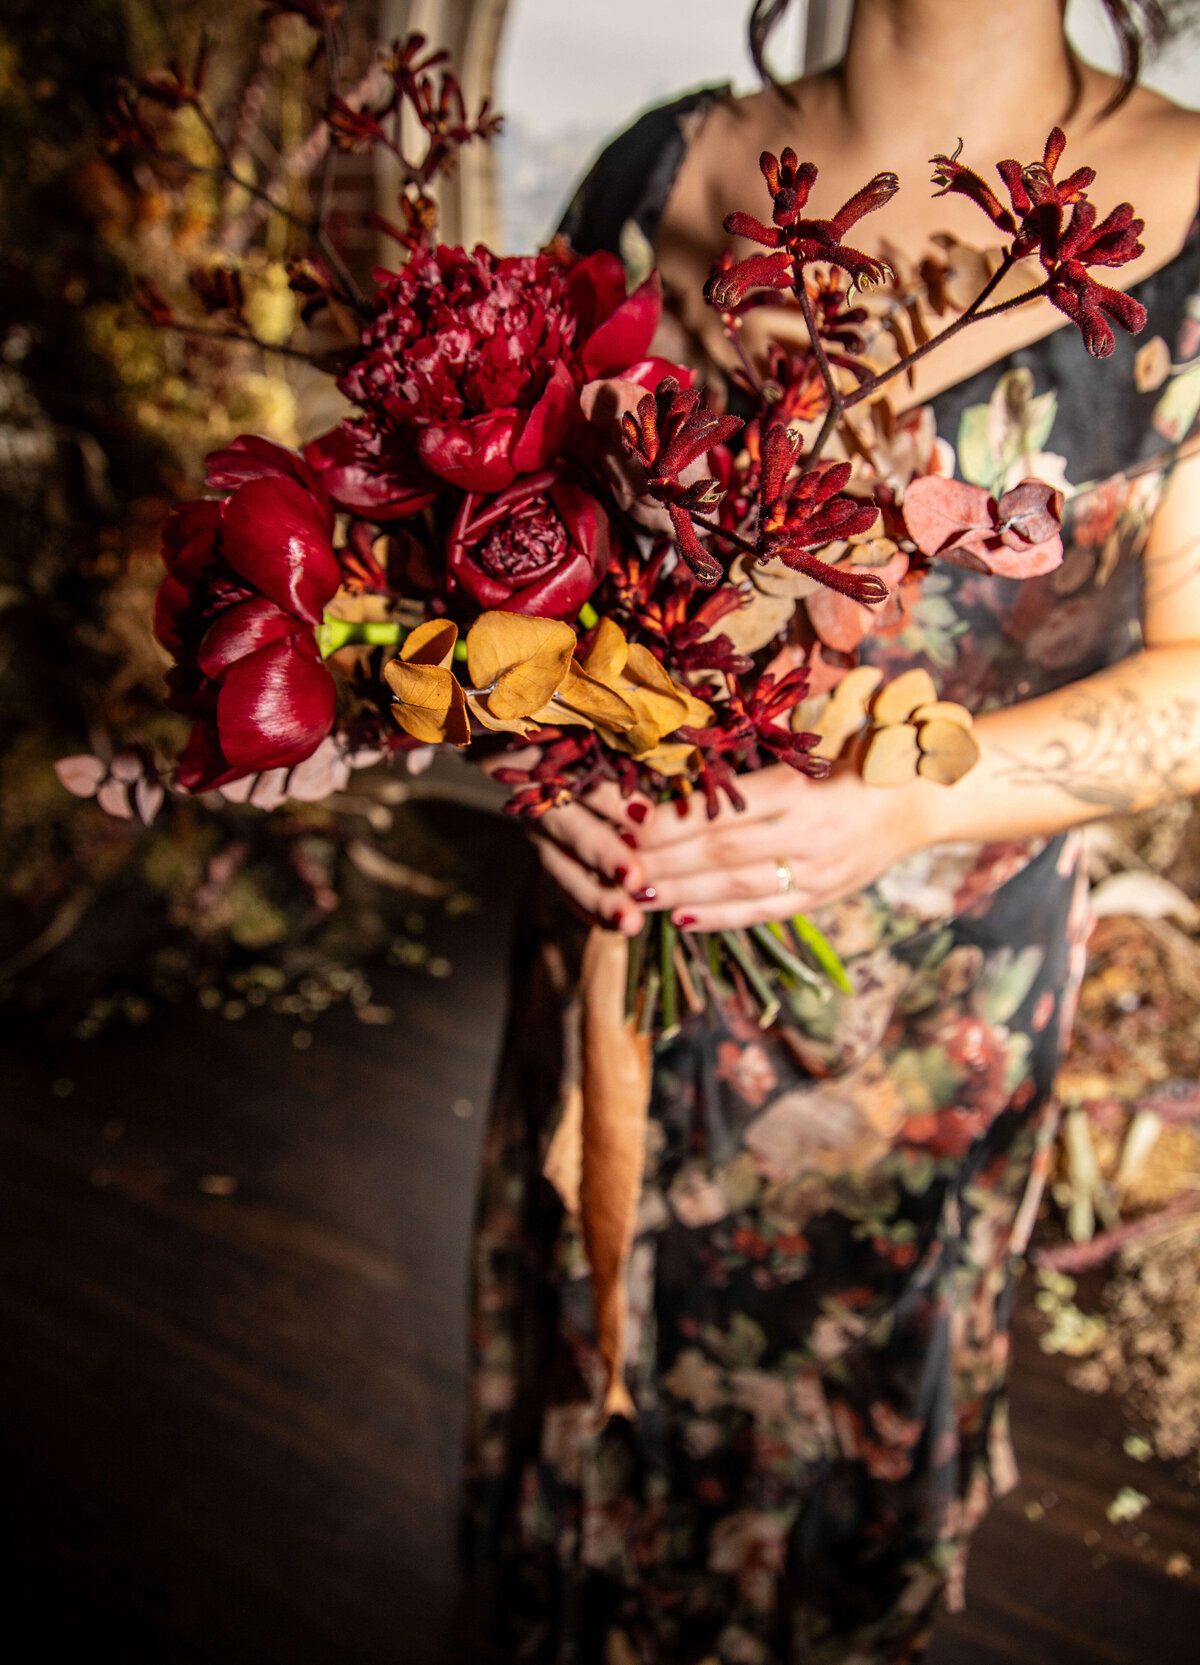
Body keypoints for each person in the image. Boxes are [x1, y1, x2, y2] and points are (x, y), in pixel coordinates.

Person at [460, 3, 1200, 1660]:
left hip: (912, 1044)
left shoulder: (1197, 216)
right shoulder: (663, 164)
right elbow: (521, 561)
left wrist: (899, 800)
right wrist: (541, 741)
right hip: (611, 975)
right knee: (585, 1427)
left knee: (817, 1509)